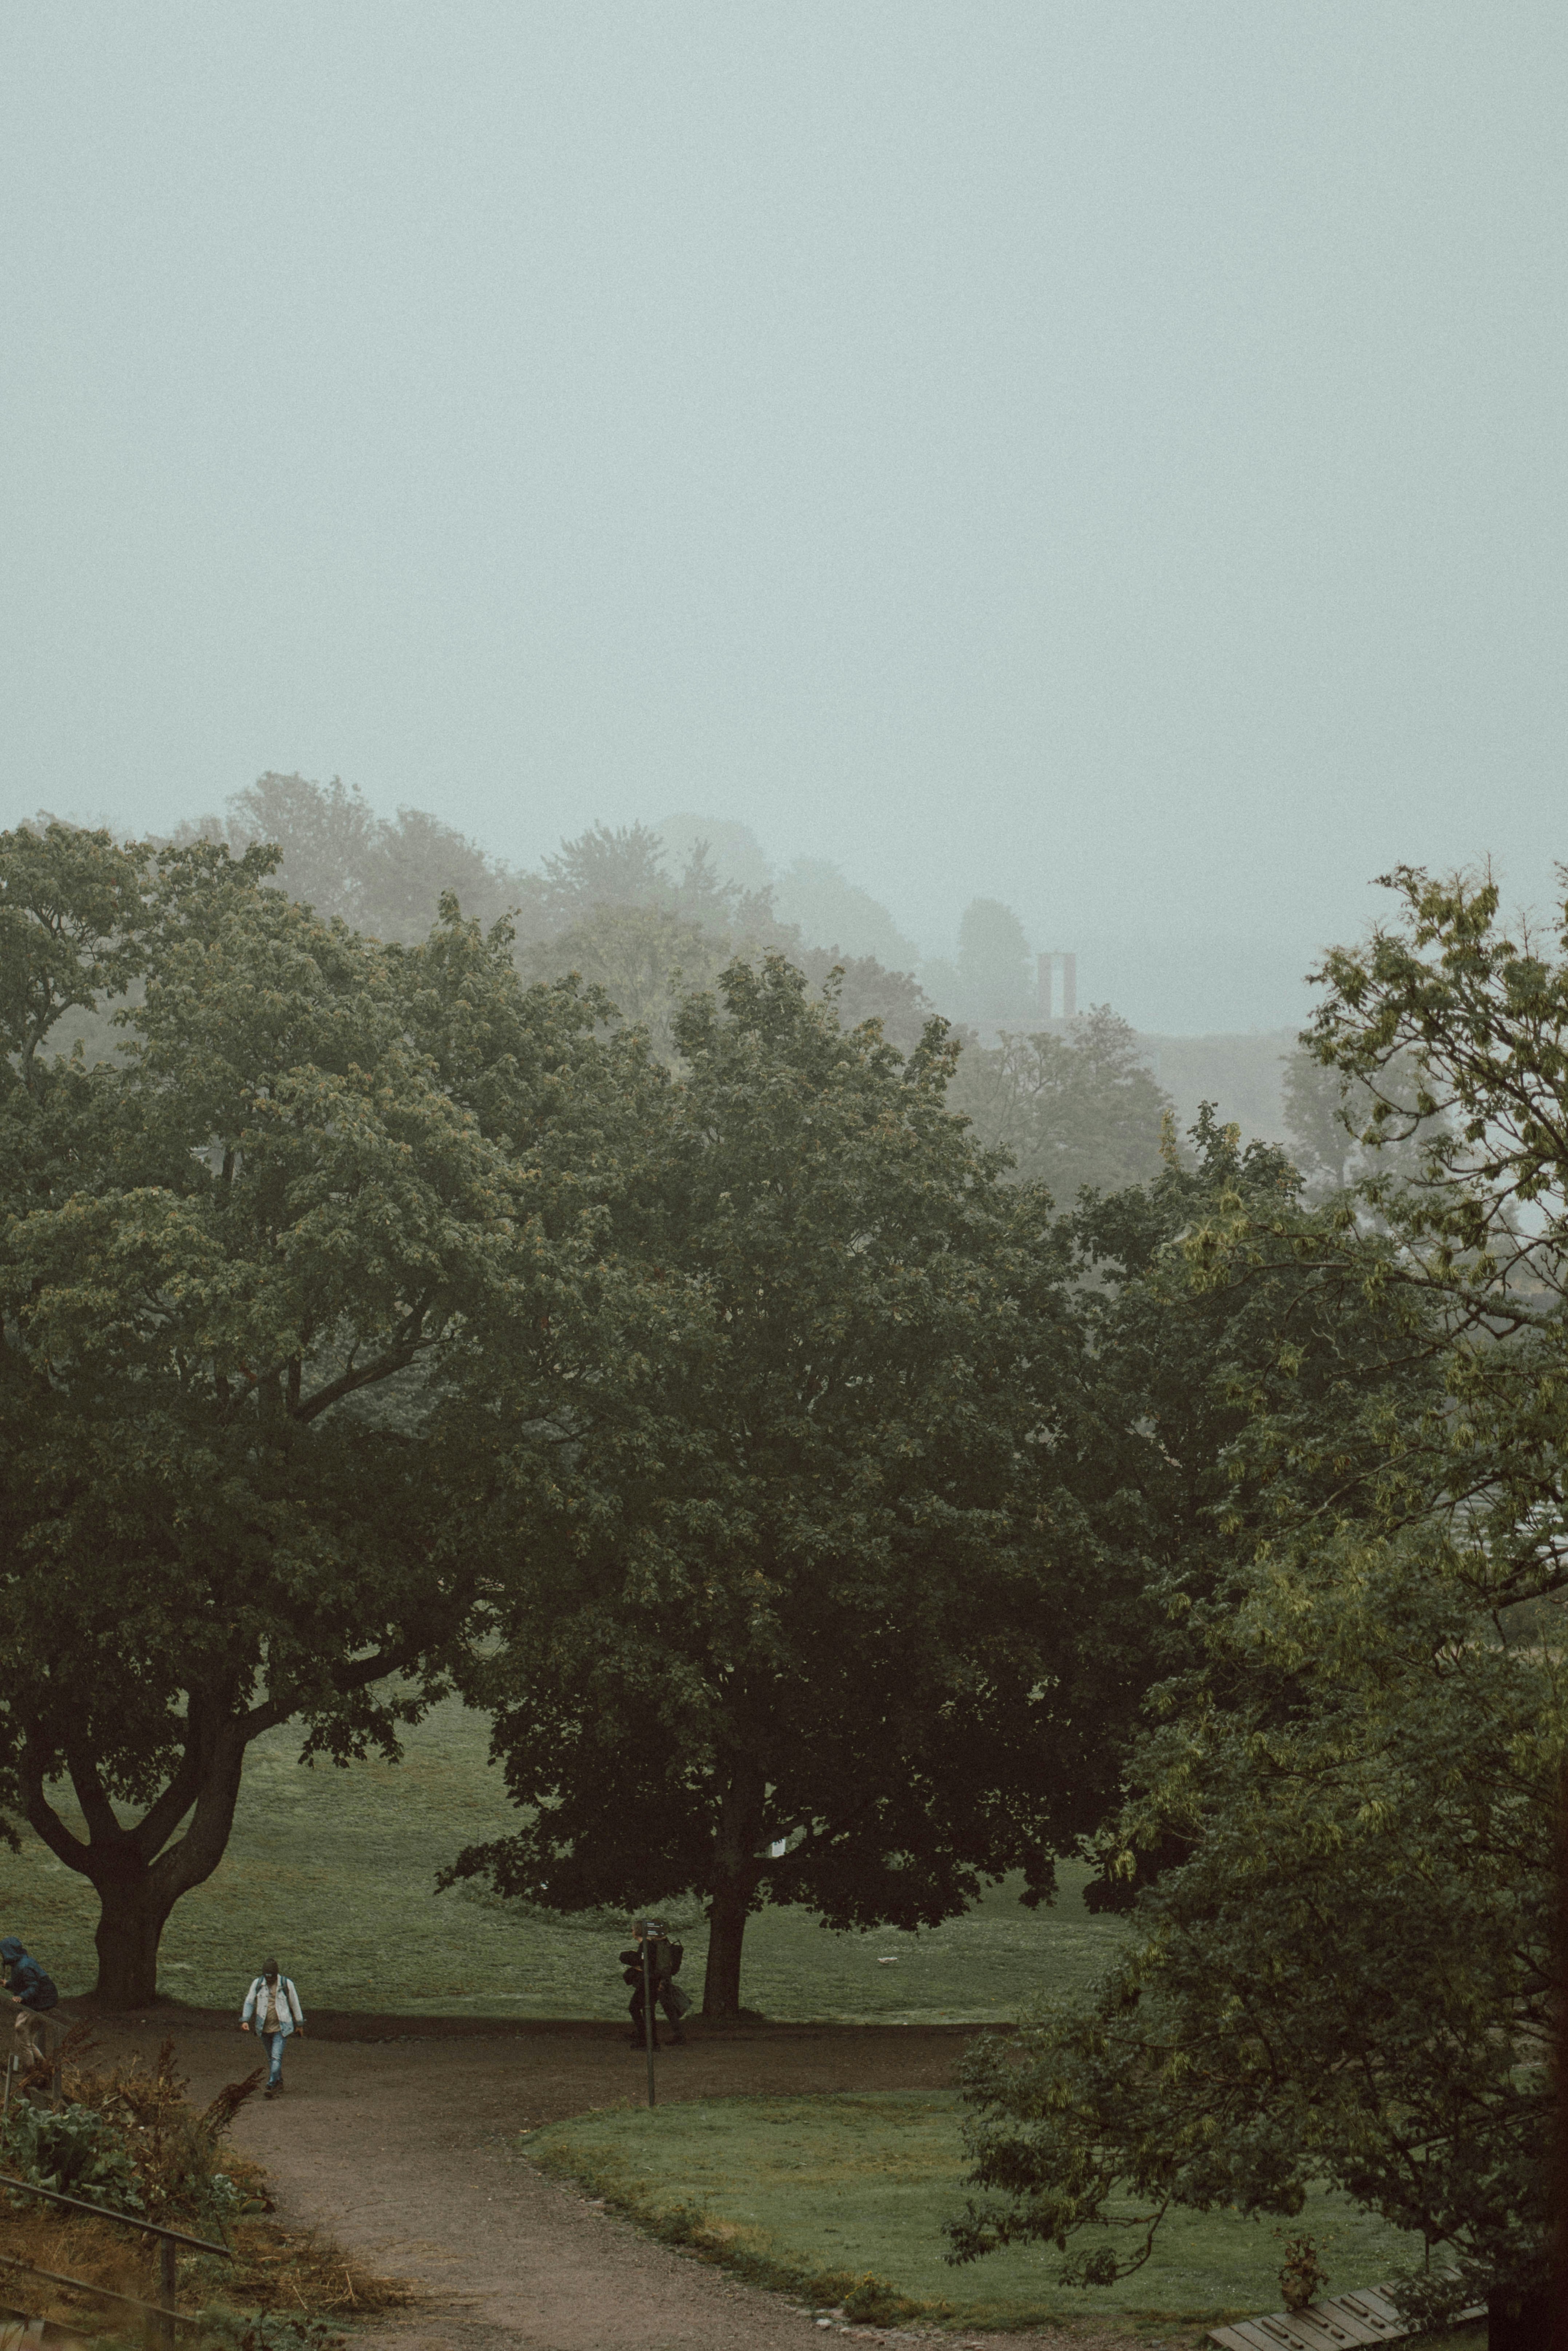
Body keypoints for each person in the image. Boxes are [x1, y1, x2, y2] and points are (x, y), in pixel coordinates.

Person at [618, 1921, 689, 2049]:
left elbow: (656, 1966)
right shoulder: (660, 1945)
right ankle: (649, 2038)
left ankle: (650, 2039)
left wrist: (660, 1980)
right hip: (658, 1980)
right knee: (650, 2009)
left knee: (653, 2009)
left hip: (656, 1981)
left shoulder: (655, 1946)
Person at [240, 1959, 305, 2098]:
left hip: (281, 2028)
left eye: (272, 1977)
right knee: (272, 2058)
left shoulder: (287, 1984)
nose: (269, 1980)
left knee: (276, 2057)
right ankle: (279, 2083)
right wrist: (245, 2019)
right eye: (267, 1977)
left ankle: (271, 2084)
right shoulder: (258, 1984)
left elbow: (295, 2004)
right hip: (263, 2028)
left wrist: (299, 2024)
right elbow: (250, 2002)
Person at [1, 1936, 61, 2081]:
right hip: (38, 2004)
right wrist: (8, 1984)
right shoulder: (22, 1963)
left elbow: (33, 1986)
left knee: (22, 2036)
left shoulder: (24, 1966)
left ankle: (32, 2073)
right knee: (27, 2039)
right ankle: (45, 2069)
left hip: (39, 2006)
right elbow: (22, 1982)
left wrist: (21, 1997)